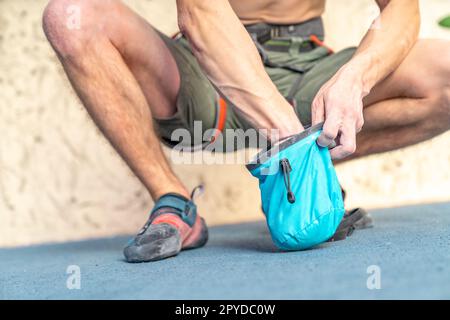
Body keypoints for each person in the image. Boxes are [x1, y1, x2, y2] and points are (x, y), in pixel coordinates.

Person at [42, 0, 450, 262]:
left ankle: (305, 170)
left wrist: (356, 78)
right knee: (70, 16)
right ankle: (173, 198)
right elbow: (199, 13)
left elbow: (401, 7)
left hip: (305, 66)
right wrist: (288, 137)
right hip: (206, 72)